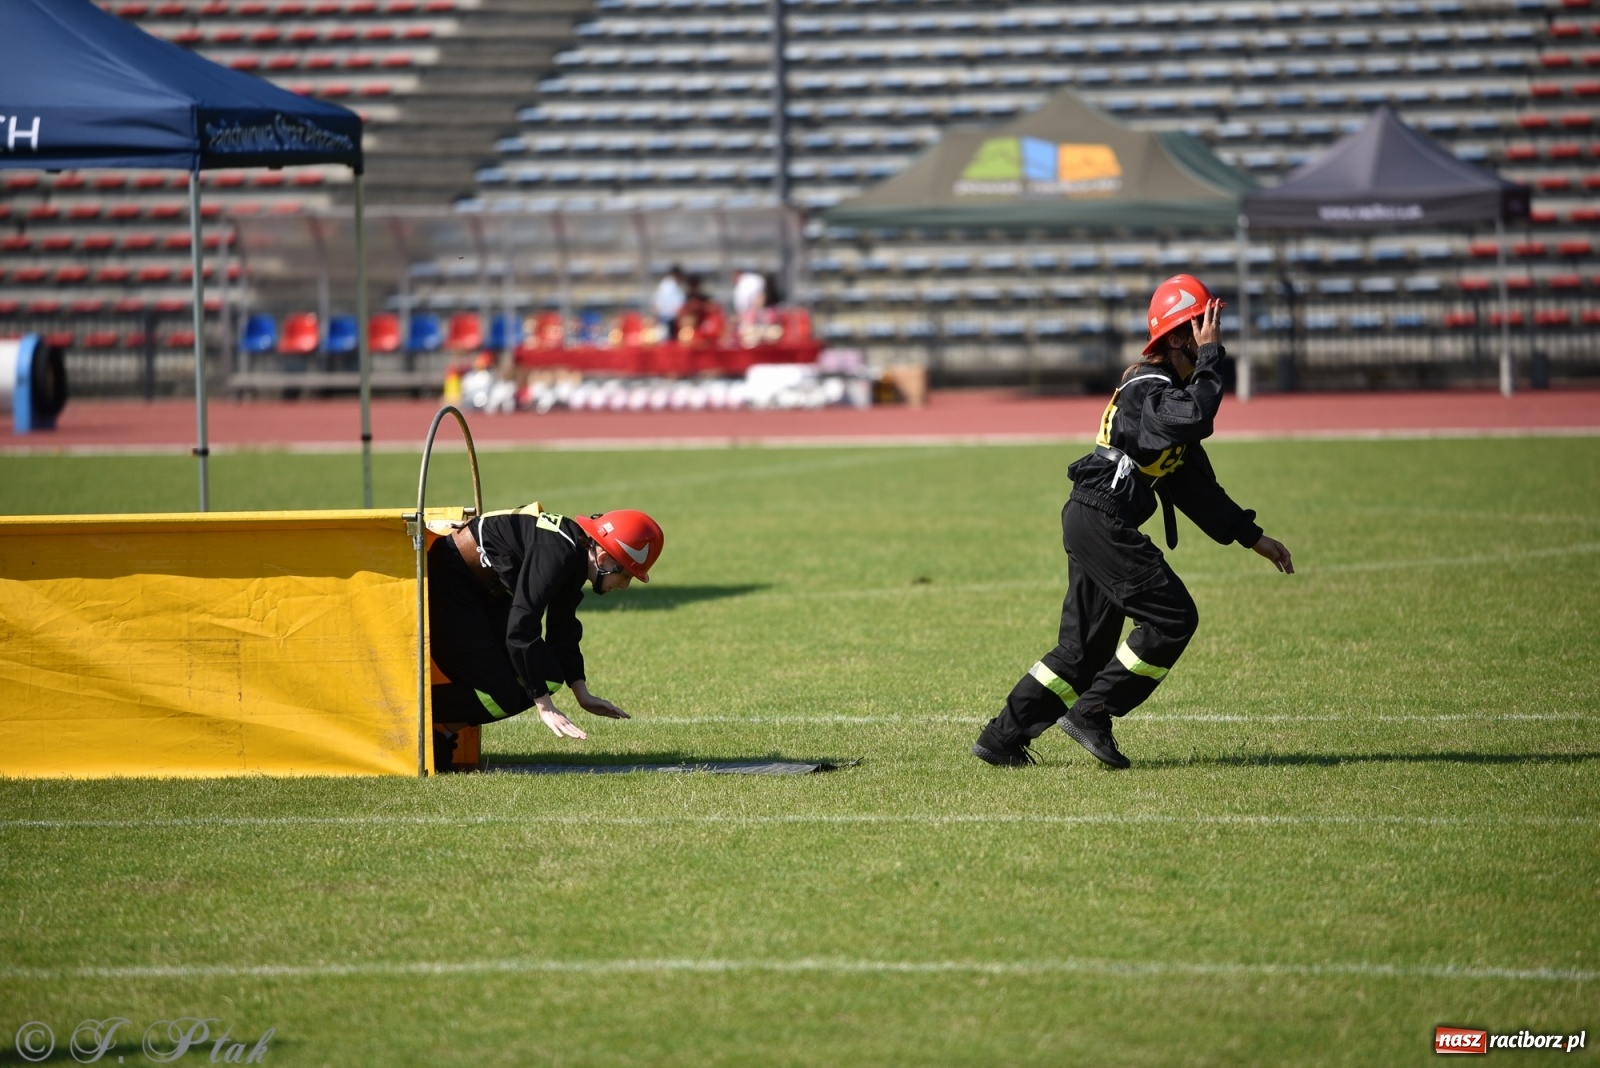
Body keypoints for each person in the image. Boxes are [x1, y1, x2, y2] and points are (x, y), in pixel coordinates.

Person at [972, 274, 1294, 770]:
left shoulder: (1164, 395)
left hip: (1093, 518)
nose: (1214, 337)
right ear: (1178, 337)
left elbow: (1196, 489)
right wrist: (1211, 361)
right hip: (1100, 519)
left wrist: (1252, 537)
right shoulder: (1151, 388)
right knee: (1173, 618)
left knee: (1082, 653)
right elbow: (1195, 418)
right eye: (1204, 327)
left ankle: (1001, 738)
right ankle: (1093, 713)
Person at [428, 504, 664, 768]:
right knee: (503, 693)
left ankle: (441, 731)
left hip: (482, 592)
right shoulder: (559, 555)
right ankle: (412, 718)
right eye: (626, 575)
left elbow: (563, 629)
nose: (624, 585)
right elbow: (521, 627)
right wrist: (544, 705)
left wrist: (581, 693)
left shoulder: (573, 554)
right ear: (604, 559)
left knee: (549, 674)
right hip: (451, 581)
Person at [652, 264, 686, 340]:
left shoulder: (668, 284)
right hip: (667, 317)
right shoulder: (669, 285)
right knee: (666, 339)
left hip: (668, 317)